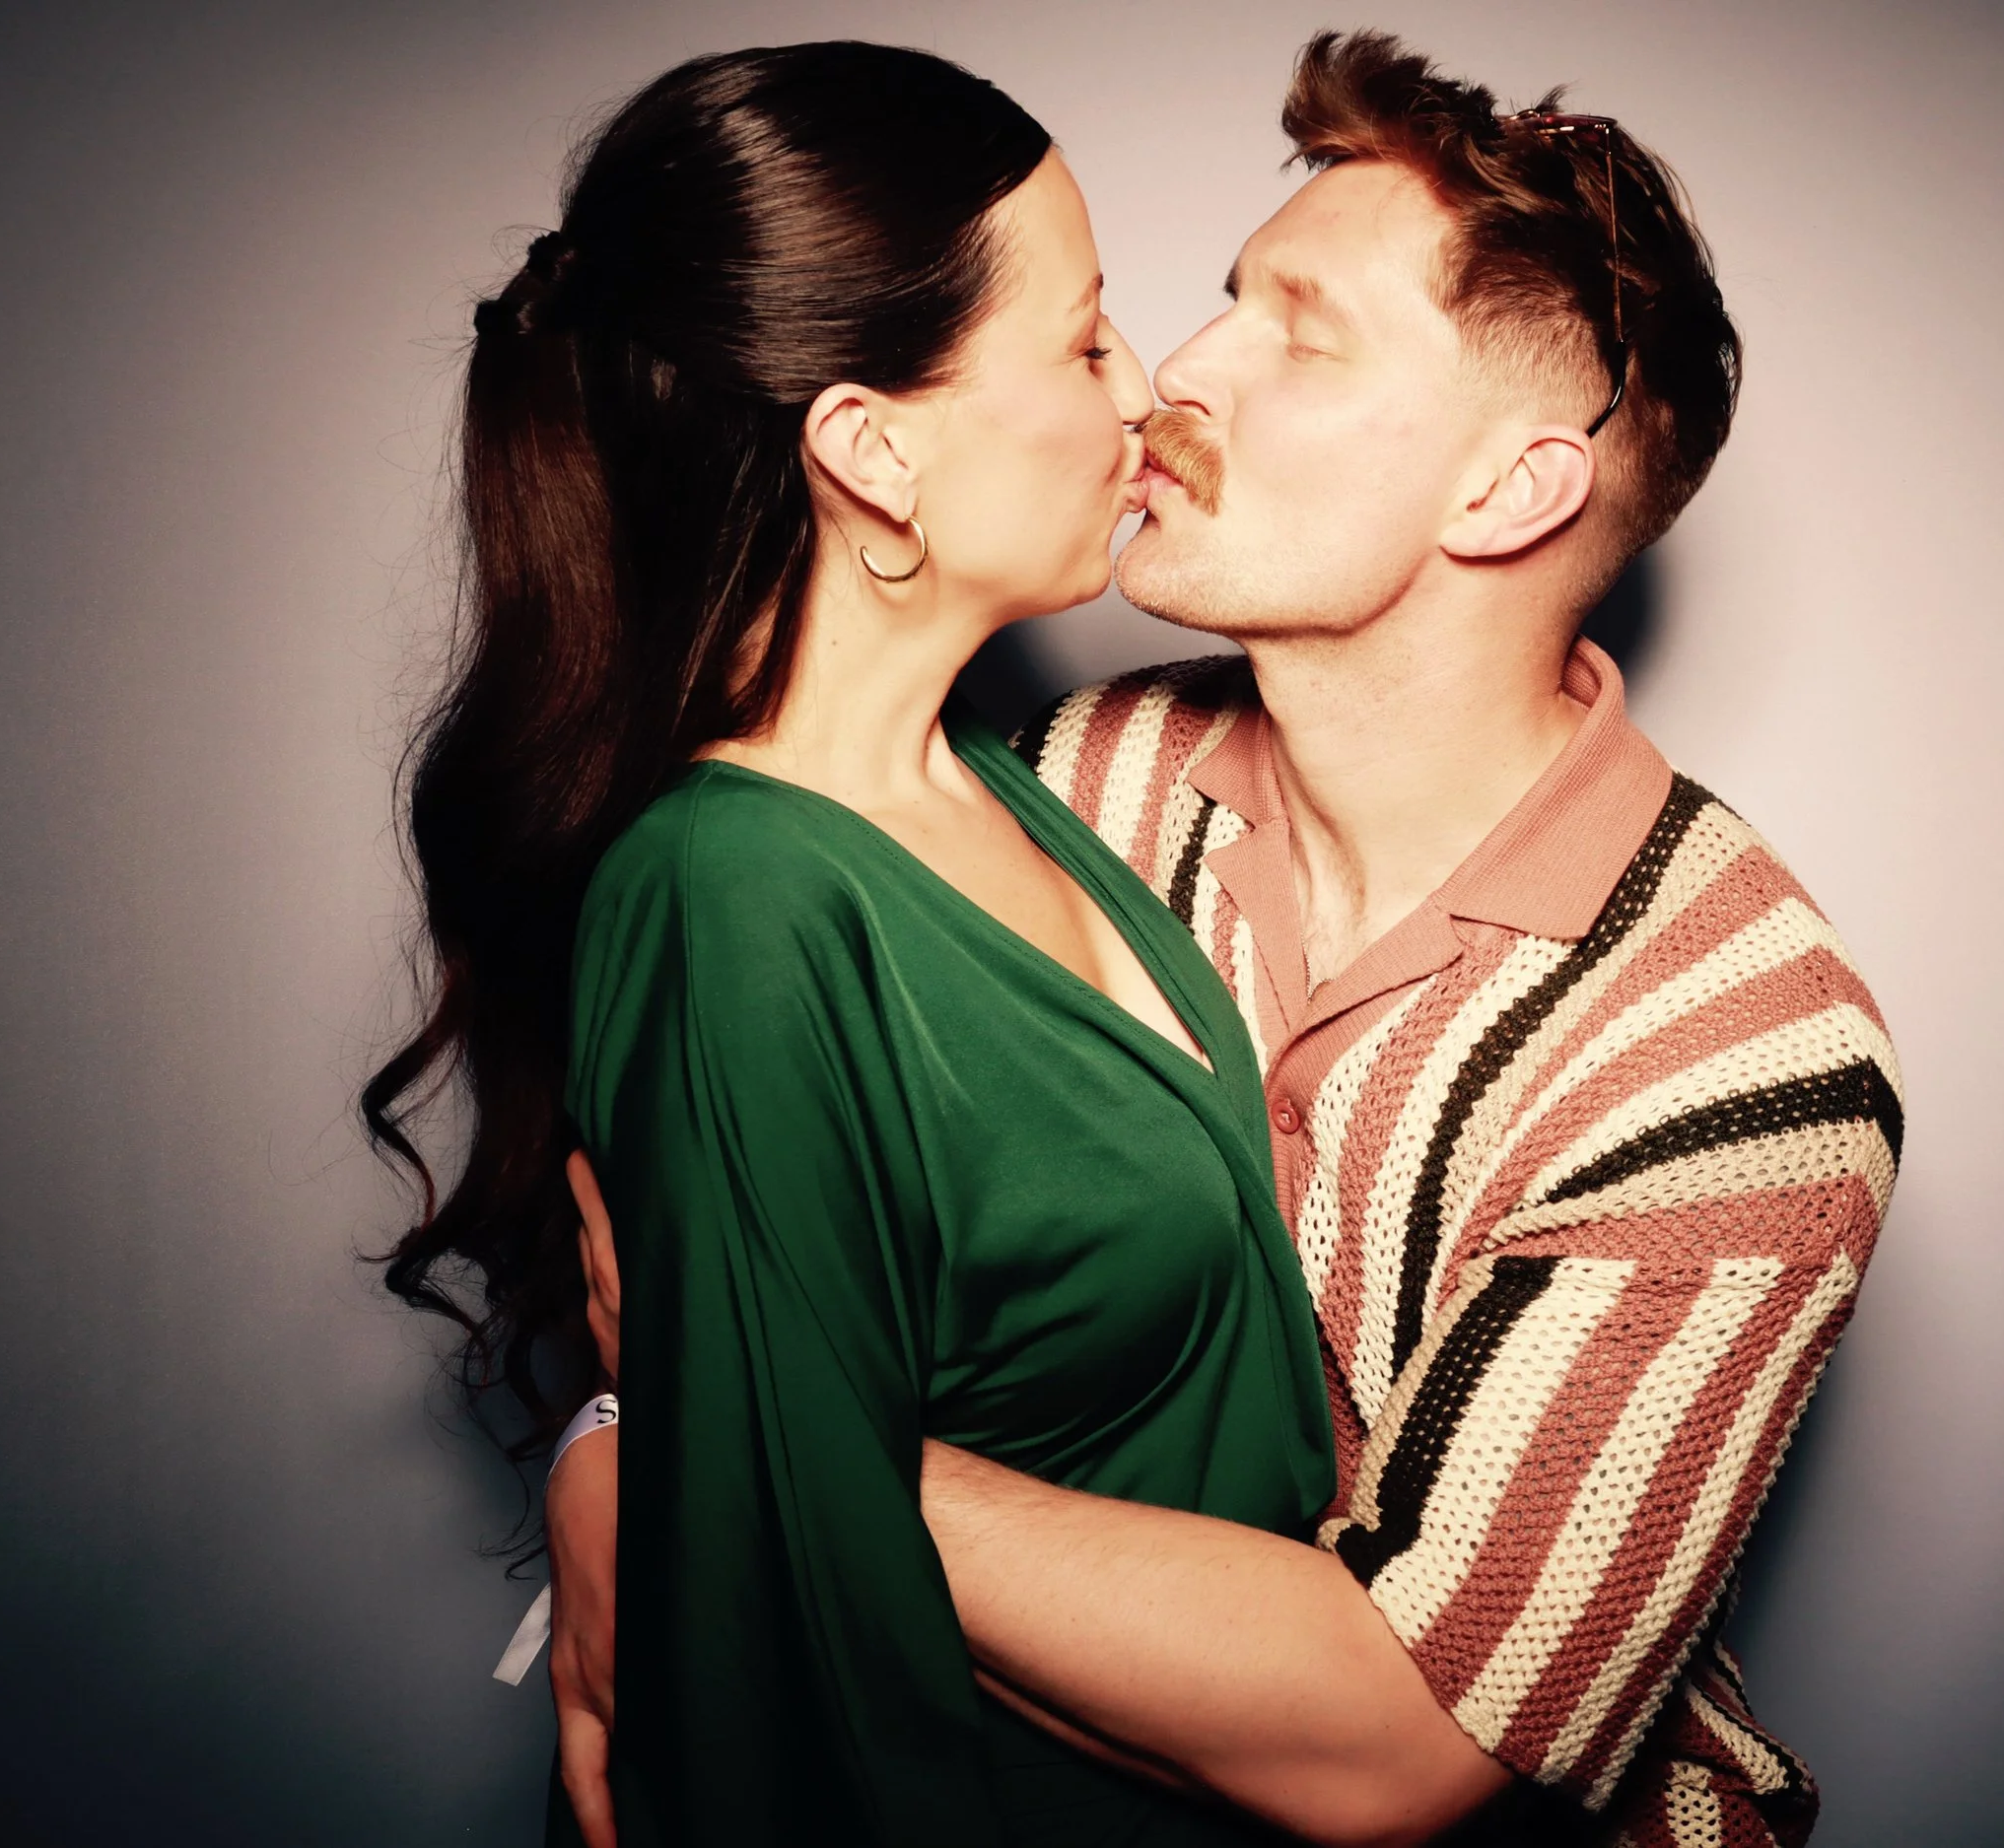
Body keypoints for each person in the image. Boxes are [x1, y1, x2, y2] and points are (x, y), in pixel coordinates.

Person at [552, 28, 1904, 1848]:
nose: (1182, 372)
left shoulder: (1736, 1045)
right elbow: (780, 1207)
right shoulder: (1070, 781)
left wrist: (730, 1442)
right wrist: (615, 1447)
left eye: (1302, 335)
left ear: (1510, 491)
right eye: (1218, 302)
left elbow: (1397, 1745)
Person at [363, 40, 1347, 1848]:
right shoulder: (737, 898)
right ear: (869, 448)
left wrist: (626, 1423)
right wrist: (645, 1442)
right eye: (1081, 335)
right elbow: (779, 1681)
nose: (1143, 391)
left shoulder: (1008, 790)